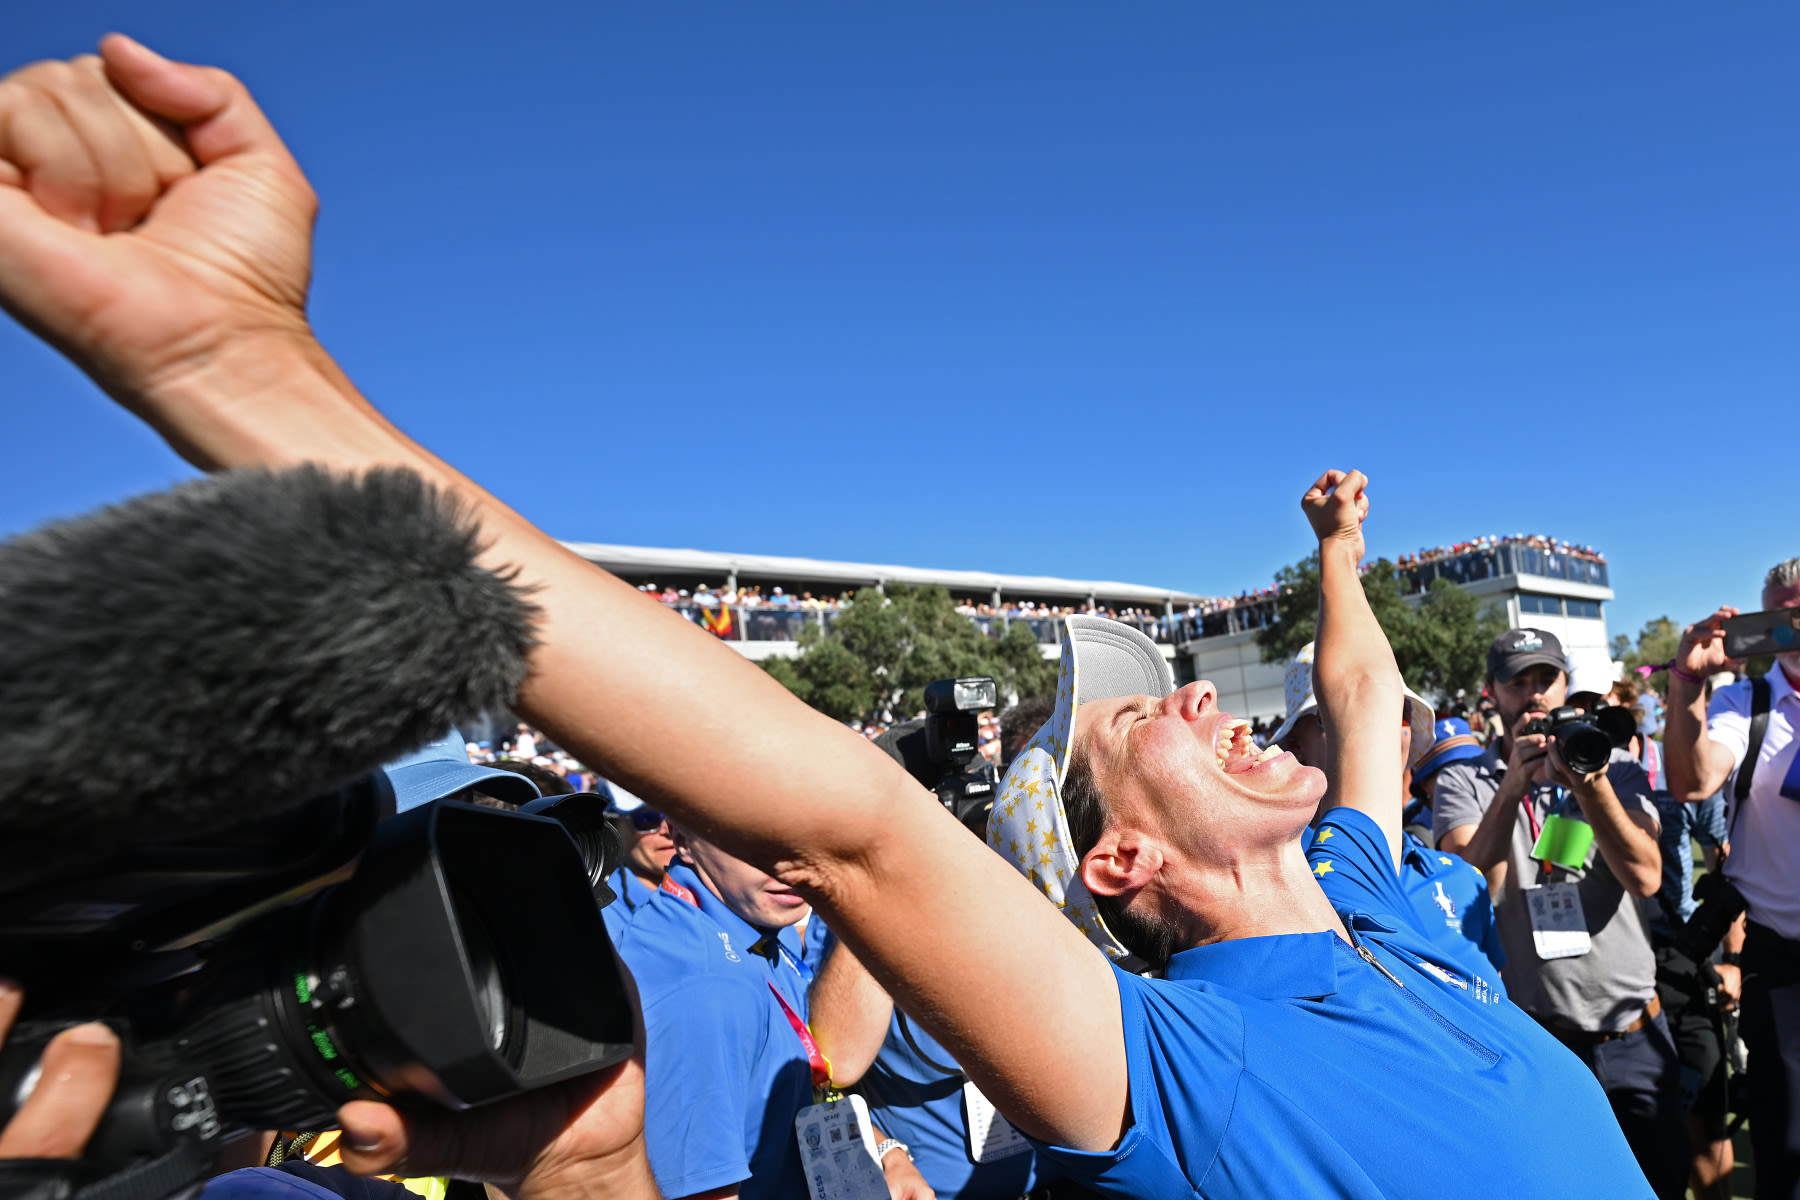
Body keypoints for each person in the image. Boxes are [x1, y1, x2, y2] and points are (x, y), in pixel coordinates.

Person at [0, 41, 1651, 1198]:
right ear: (1118, 867)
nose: (1209, 702)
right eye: (1150, 719)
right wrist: (245, 377)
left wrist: (1340, 552)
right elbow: (846, 816)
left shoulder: (1375, 895)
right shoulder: (1177, 1073)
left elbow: (1361, 703)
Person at [1433, 628, 1683, 1197]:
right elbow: (1469, 886)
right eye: (1517, 683)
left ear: (1567, 684)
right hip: (1538, 1039)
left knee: (1659, 1182)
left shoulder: (1614, 766)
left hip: (1632, 1031)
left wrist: (1589, 785)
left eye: (1545, 679)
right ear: (1490, 694)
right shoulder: (1465, 779)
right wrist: (1513, 785)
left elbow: (1645, 876)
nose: (1534, 695)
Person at [613, 825, 930, 1200]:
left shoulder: (735, 923)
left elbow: (795, 1084)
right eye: (753, 838)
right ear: (683, 840)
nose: (790, 864)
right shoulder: (706, 986)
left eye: (811, 836)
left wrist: (885, 1151)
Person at [1664, 557, 1800, 1200]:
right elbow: (1693, 780)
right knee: (1786, 1148)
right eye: (1781, 613)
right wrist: (1686, 683)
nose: (1793, 624)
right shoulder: (1747, 702)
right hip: (1783, 966)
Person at [1265, 646, 1504, 985]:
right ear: (1297, 744)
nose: (1378, 727)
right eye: (1343, 710)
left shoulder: (1463, 879)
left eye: (1396, 711)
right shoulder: (1272, 887)